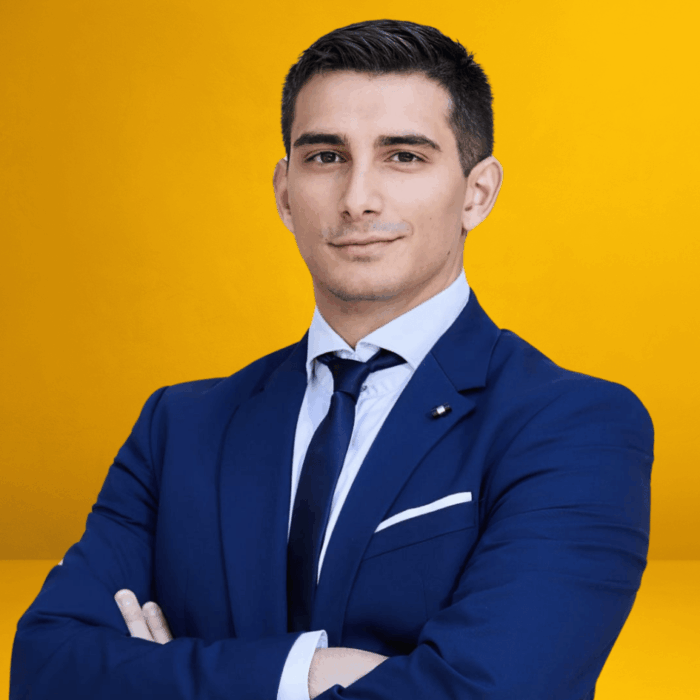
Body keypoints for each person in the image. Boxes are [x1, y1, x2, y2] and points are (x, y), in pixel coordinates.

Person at [10, 18, 654, 700]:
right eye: (325, 156)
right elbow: (44, 665)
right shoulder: (179, 427)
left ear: (477, 193)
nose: (357, 200)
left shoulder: (575, 426)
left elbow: (488, 693)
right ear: (285, 191)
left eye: (403, 156)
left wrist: (165, 675)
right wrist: (310, 673)